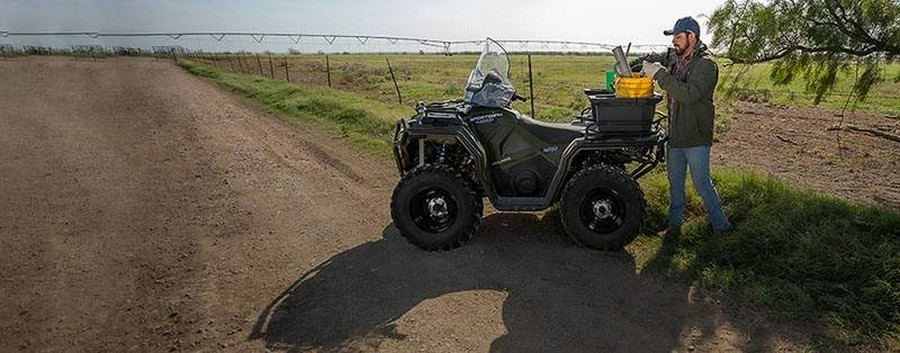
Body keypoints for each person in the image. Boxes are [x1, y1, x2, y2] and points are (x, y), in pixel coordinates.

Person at [641, 16, 733, 235]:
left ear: (692, 37)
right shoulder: (677, 57)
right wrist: (639, 63)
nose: (674, 41)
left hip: (695, 136)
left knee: (702, 184)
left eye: (678, 37)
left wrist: (660, 75)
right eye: (673, 37)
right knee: (675, 184)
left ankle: (722, 227)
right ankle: (674, 228)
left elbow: (688, 94)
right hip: (675, 135)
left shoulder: (706, 65)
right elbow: (659, 57)